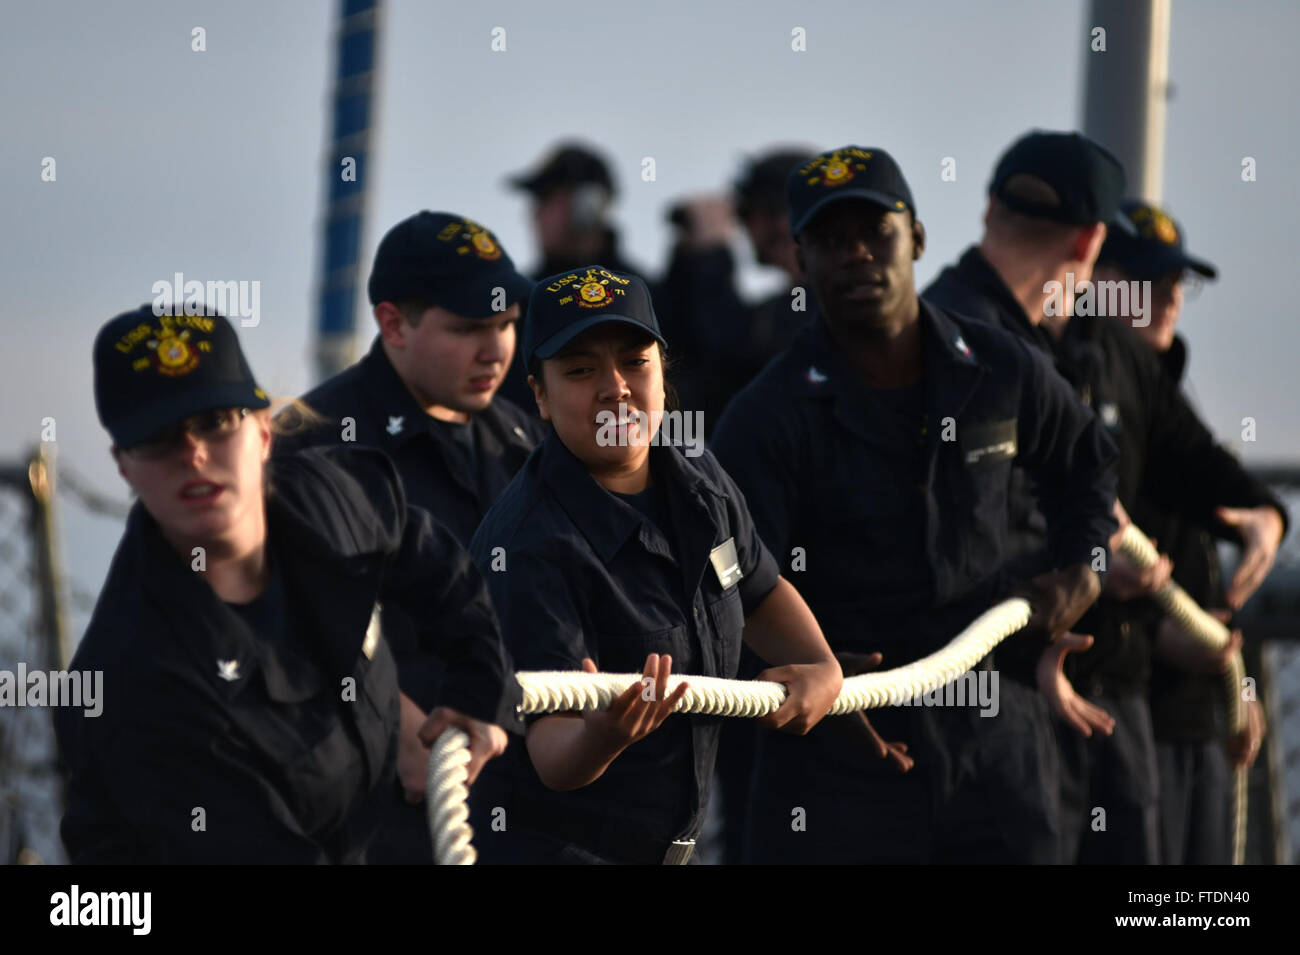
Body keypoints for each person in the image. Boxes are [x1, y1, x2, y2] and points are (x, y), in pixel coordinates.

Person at [711, 145, 1121, 864]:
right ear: (801, 262)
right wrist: (804, 670)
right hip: (835, 771)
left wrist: (1082, 567)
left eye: (877, 232)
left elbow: (1088, 463)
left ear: (919, 239)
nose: (858, 254)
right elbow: (728, 583)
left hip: (999, 754)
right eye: (831, 241)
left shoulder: (1000, 369)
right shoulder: (764, 419)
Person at [923, 131, 1287, 863]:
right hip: (1001, 689)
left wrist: (1263, 511)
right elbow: (959, 521)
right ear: (1093, 246)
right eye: (1148, 282)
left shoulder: (1104, 350)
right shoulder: (963, 340)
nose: (1168, 302)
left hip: (1114, 695)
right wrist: (1084, 572)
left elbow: (1182, 458)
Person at [56, 305, 517, 863]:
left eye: (214, 422)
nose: (194, 454)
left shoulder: (336, 501)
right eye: (158, 438)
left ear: (263, 433)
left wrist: (476, 690)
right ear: (124, 466)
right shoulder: (138, 683)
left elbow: (434, 565)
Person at [466, 266, 843, 864]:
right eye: (581, 369)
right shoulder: (526, 545)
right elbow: (551, 754)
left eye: (635, 362)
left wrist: (822, 666)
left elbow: (758, 589)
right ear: (538, 393)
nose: (614, 388)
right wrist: (601, 735)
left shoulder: (699, 476)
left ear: (664, 373)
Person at [274, 210, 543, 862]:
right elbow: (282, 624)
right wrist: (393, 731)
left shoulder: (522, 439)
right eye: (470, 328)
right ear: (392, 323)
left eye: (508, 324)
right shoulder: (312, 442)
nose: (497, 349)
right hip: (375, 807)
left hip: (526, 795)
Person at [1093, 199, 1280, 863]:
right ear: (1096, 276)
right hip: (1132, 706)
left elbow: (1215, 528)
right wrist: (1155, 634)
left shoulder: (1168, 402)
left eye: (1177, 282)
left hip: (1199, 717)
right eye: (1151, 280)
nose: (1171, 297)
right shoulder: (1081, 400)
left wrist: (1237, 690)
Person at [660, 147, 816, 437]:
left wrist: (712, 254)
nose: (745, 229)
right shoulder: (792, 305)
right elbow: (686, 358)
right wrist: (686, 263)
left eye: (748, 214)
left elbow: (733, 351)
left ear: (781, 218)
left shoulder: (819, 306)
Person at [497, 143, 655, 411]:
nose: (533, 214)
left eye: (544, 198)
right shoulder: (519, 300)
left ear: (587, 205)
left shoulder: (645, 299)